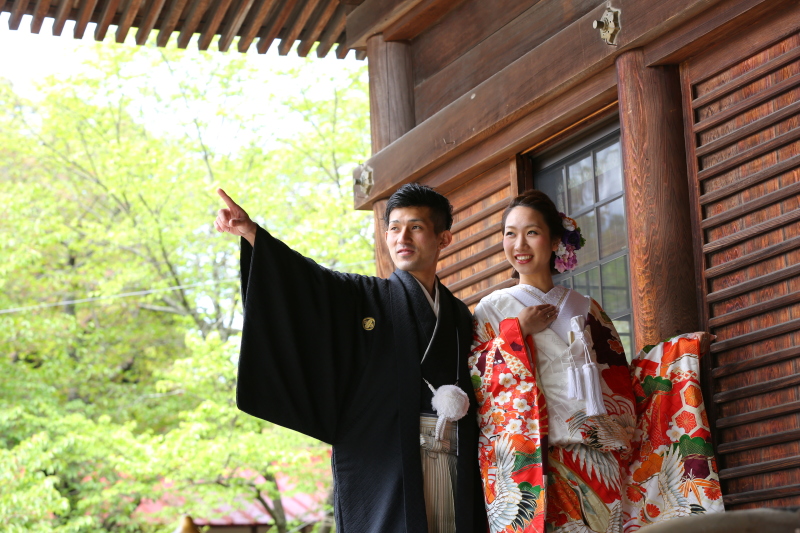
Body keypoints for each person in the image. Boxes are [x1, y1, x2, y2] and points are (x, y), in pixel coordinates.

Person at [214, 184, 487, 533]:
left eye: (416, 227)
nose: (402, 237)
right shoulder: (364, 297)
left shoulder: (460, 317)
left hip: (455, 456)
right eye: (394, 228)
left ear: (443, 238)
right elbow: (310, 283)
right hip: (386, 458)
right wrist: (252, 234)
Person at [468, 190, 723, 532]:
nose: (519, 244)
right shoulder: (492, 309)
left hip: (599, 461)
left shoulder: (587, 308)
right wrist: (516, 333)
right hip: (542, 462)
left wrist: (678, 354)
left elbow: (621, 380)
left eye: (531, 232)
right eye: (510, 234)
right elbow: (476, 377)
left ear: (556, 239)